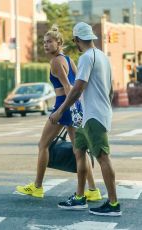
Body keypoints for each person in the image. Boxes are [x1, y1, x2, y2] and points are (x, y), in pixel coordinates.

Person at [16, 25, 101, 202]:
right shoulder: (69, 59)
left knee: (43, 145)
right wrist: (79, 108)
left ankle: (38, 187)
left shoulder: (55, 61)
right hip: (74, 106)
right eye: (44, 42)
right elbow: (80, 83)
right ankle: (93, 190)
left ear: (59, 43)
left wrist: (63, 110)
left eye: (50, 42)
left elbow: (69, 87)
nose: (46, 45)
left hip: (63, 105)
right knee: (80, 150)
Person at [49, 22, 122, 216]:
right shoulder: (103, 58)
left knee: (102, 157)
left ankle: (114, 204)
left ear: (77, 40)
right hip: (86, 115)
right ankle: (80, 198)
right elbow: (111, 90)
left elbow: (78, 87)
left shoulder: (86, 58)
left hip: (93, 116)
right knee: (79, 152)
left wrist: (60, 110)